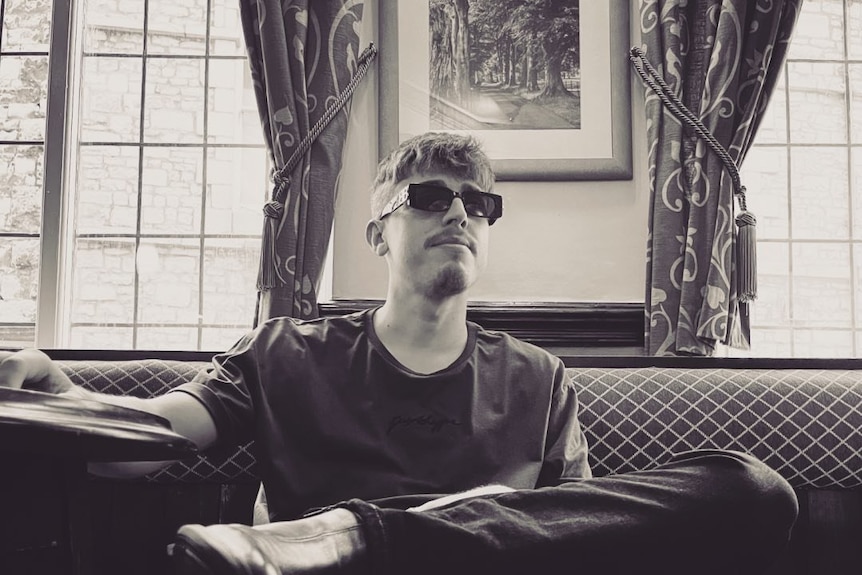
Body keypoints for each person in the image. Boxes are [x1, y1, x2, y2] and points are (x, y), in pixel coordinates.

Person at [0, 132, 797, 575]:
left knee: (756, 488)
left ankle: (345, 534)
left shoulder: (538, 377)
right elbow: (141, 445)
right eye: (429, 196)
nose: (459, 212)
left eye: (479, 203)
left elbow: (568, 530)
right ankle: (339, 542)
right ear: (379, 231)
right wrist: (56, 393)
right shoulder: (283, 353)